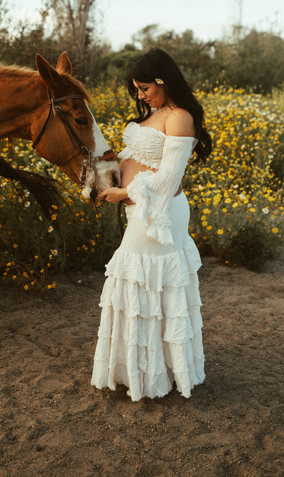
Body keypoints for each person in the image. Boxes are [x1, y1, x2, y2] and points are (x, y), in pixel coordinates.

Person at [91, 48, 212, 401]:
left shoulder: (180, 118)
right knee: (141, 285)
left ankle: (155, 374)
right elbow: (140, 157)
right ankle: (141, 371)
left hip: (159, 212)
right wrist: (114, 168)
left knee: (144, 281)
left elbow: (169, 179)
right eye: (137, 90)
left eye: (145, 88)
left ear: (163, 80)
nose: (141, 96)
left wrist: (124, 191)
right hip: (140, 208)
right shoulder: (156, 113)